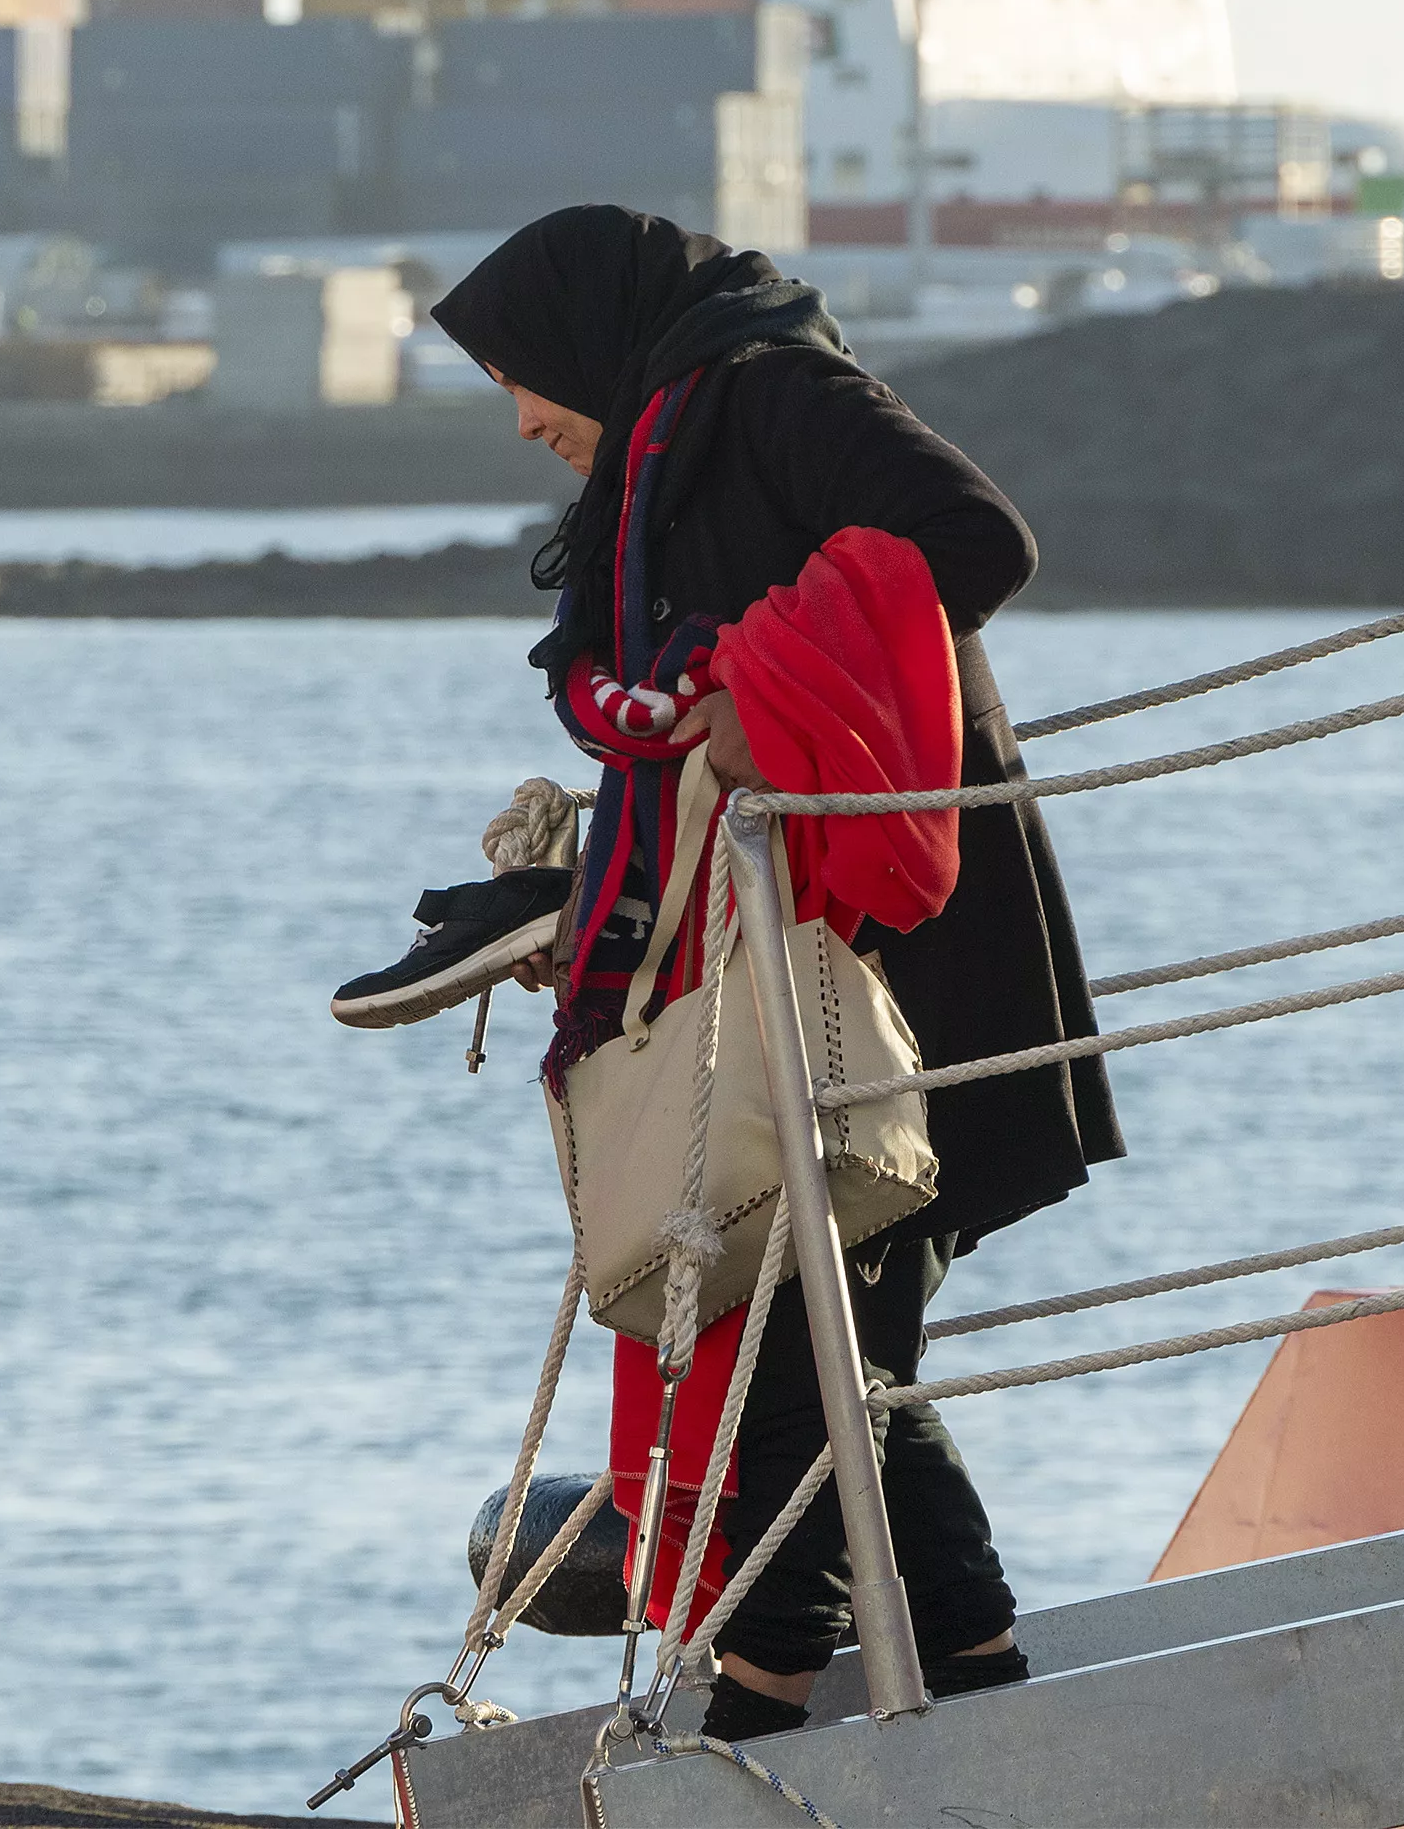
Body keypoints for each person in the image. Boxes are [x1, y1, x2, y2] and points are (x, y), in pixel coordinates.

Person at [426, 205, 1121, 1743]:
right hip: (789, 954)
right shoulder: (657, 458)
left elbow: (977, 539)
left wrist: (764, 681)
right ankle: (983, 1673)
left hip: (901, 946)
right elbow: (654, 715)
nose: (526, 419)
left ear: (584, 342)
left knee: (820, 1332)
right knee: (831, 1329)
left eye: (519, 379)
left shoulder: (767, 391)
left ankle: (760, 1698)